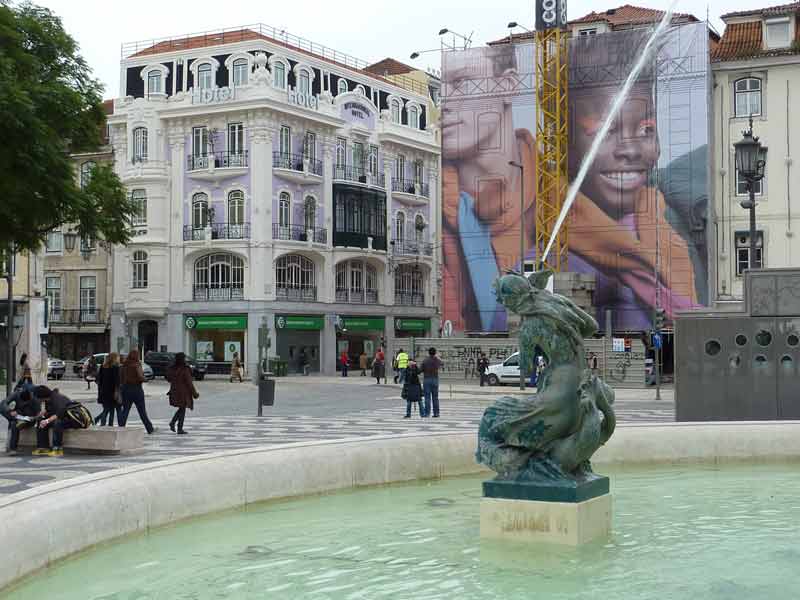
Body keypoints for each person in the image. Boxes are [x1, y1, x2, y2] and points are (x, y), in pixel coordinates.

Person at [441, 31, 705, 334]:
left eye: (647, 130)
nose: (631, 149)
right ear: (563, 142)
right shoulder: (539, 244)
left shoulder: (666, 234)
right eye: (604, 131)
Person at [32, 386, 92, 457]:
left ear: (41, 396)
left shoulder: (57, 398)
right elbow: (50, 411)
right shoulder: (48, 399)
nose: (37, 400)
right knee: (40, 421)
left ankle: (57, 449)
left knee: (57, 423)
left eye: (37, 397)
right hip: (62, 418)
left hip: (73, 420)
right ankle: (43, 447)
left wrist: (47, 421)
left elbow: (60, 413)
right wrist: (43, 415)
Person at [119, 350, 155, 434]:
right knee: (142, 411)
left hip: (126, 389)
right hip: (136, 389)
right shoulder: (137, 364)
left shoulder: (125, 365)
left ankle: (121, 427)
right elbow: (140, 376)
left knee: (125, 410)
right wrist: (145, 379)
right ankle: (149, 428)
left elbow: (121, 377)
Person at [1, 387, 41, 454]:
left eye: (26, 402)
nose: (24, 403)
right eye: (23, 401)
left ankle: (13, 448)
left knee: (14, 424)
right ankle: (12, 449)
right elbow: (3, 403)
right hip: (17, 415)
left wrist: (33, 418)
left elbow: (39, 415)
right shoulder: (17, 394)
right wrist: (10, 411)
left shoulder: (35, 399)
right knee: (4, 411)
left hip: (28, 419)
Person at [167, 352, 198, 435]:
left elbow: (168, 378)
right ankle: (177, 426)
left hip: (174, 391)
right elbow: (189, 382)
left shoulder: (172, 368)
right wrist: (194, 393)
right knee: (182, 408)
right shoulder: (185, 369)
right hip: (183, 392)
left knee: (182, 408)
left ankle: (175, 425)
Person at [95, 353, 121, 426]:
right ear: (114, 358)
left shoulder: (102, 367)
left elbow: (98, 379)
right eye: (117, 357)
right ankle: (110, 425)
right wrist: (117, 390)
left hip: (103, 391)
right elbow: (117, 381)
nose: (118, 359)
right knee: (109, 410)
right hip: (112, 391)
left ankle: (103, 424)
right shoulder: (115, 367)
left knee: (107, 409)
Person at [421, 347, 443, 418]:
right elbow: (442, 363)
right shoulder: (437, 360)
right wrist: (437, 357)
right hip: (435, 379)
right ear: (435, 353)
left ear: (428, 352)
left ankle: (427, 413)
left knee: (427, 397)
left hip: (427, 379)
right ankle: (436, 413)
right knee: (435, 397)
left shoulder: (425, 360)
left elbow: (420, 370)